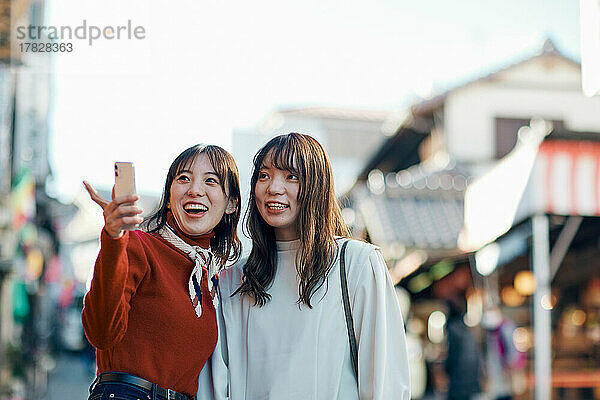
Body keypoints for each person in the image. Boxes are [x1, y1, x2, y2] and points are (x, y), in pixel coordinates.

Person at [199, 133, 410, 400]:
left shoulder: (355, 262)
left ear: (317, 187)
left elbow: (385, 382)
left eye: (291, 176)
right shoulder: (233, 280)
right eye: (264, 175)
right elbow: (217, 385)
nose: (273, 187)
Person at [82, 144, 241, 400]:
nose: (195, 190)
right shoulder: (138, 245)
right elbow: (101, 333)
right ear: (168, 197)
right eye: (183, 179)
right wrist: (113, 238)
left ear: (231, 203)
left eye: (210, 181)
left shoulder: (210, 280)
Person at [444, 295, 482, 400]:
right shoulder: (464, 328)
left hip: (459, 376)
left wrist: (446, 368)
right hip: (471, 375)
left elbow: (452, 354)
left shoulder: (452, 328)